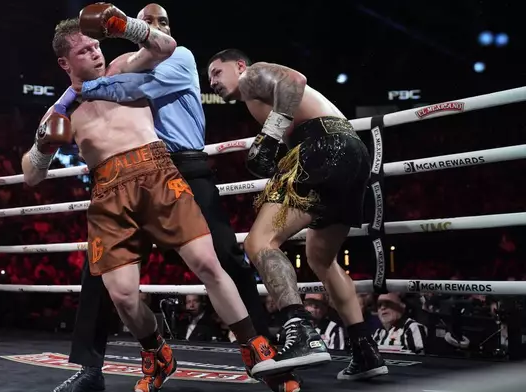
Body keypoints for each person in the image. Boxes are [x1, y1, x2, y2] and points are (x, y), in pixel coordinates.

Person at [22, 5, 291, 392]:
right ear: (65, 62)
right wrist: (43, 146)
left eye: (97, 45)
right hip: (107, 191)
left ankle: (258, 350)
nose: (96, 53)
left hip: (158, 172)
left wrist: (125, 25)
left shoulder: (124, 68)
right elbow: (32, 174)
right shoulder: (59, 111)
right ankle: (156, 352)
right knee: (123, 296)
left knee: (209, 262)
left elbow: (165, 46)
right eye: (85, 51)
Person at [207, 49, 389, 380]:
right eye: (209, 79)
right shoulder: (256, 96)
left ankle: (302, 332)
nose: (213, 82)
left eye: (217, 73)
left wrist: (270, 134)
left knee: (259, 242)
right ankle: (365, 351)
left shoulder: (252, 77)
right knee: (321, 258)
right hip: (353, 153)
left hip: (322, 146)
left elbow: (294, 79)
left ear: (239, 66)